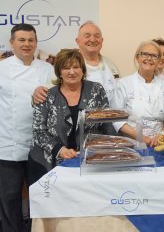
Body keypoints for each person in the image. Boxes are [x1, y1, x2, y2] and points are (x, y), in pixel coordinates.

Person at [28, 49, 116, 185]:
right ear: (59, 72)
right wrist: (59, 150)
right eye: (66, 68)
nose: (72, 72)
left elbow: (106, 123)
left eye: (76, 67)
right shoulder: (46, 95)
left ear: (82, 69)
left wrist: (116, 148)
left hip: (88, 161)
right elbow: (39, 131)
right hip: (49, 163)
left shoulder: (96, 90)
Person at [0, 23, 54, 232]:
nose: (27, 44)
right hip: (7, 143)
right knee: (9, 198)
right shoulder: (2, 69)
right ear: (12, 43)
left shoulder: (47, 69)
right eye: (21, 40)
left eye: (31, 40)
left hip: (39, 146)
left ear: (36, 43)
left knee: (40, 196)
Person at [33, 21, 120, 106]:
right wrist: (38, 94)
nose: (93, 39)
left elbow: (120, 93)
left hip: (111, 117)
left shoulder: (110, 64)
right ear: (78, 41)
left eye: (97, 36)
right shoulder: (66, 65)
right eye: (87, 36)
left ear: (102, 40)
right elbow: (48, 91)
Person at [112, 41, 164, 147]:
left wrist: (161, 135)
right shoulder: (123, 84)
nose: (149, 58)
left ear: (158, 61)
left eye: (154, 56)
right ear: (137, 57)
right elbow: (117, 120)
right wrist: (142, 138)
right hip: (132, 144)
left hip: (161, 143)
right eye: (145, 54)